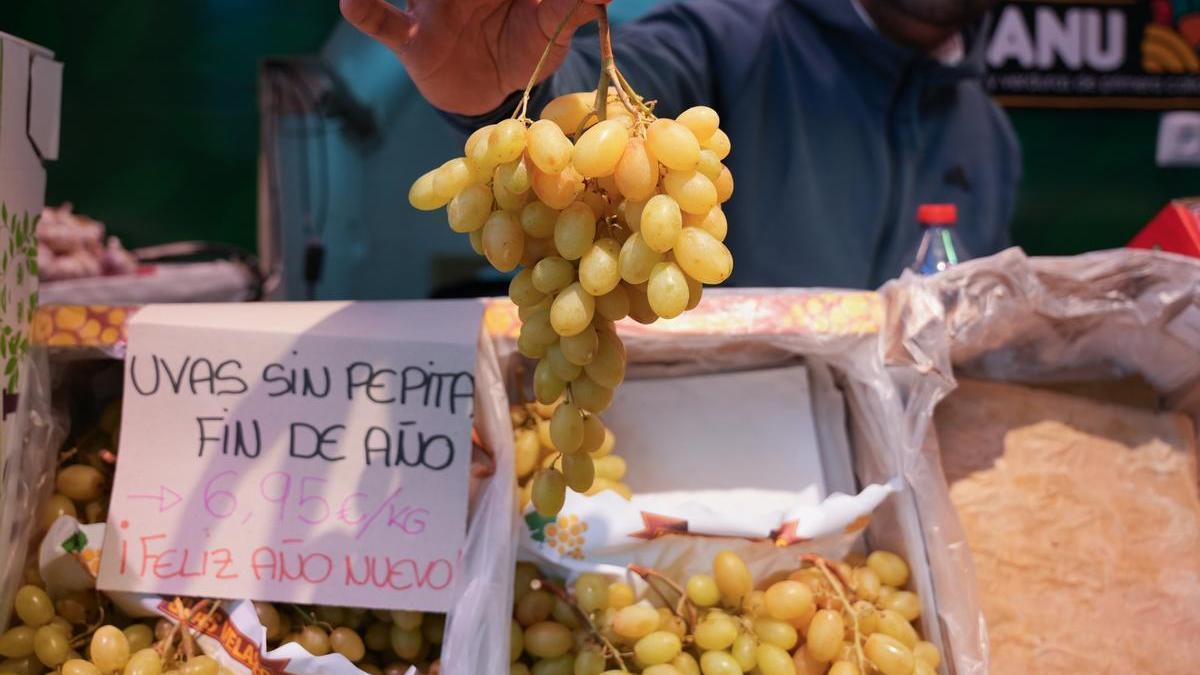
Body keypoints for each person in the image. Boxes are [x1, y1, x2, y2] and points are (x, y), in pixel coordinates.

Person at [340, 0, 1019, 289]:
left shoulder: (989, 138)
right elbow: (599, 120)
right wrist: (505, 92)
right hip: (688, 492)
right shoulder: (730, 39)